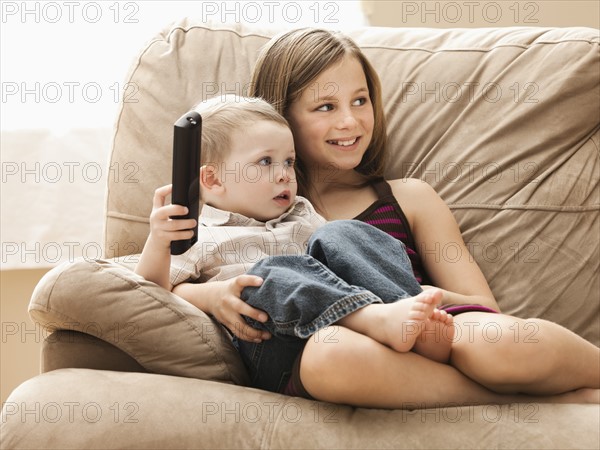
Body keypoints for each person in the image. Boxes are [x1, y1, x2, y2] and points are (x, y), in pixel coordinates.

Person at [171, 29, 599, 409]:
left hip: (437, 332)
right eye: (325, 106)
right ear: (278, 119)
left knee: (496, 341)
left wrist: (421, 298)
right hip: (354, 353)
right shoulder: (249, 217)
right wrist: (208, 295)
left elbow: (483, 308)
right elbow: (156, 281)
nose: (350, 120)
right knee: (331, 355)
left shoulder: (408, 197)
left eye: (360, 101)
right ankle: (527, 403)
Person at [134, 95, 457, 395]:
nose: (284, 175)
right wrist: (159, 242)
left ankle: (415, 323)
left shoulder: (301, 215)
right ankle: (375, 319)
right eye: (265, 162)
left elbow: (342, 265)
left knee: (344, 233)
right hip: (277, 353)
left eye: (288, 161)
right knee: (272, 273)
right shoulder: (197, 233)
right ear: (213, 180)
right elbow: (152, 295)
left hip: (338, 333)